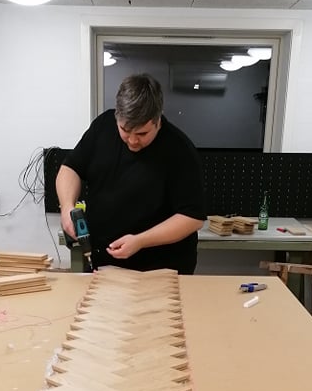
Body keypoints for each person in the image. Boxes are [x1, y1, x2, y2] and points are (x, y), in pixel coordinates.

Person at [56, 74, 206, 273]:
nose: (133, 141)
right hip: (103, 263)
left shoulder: (180, 150)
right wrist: (67, 207)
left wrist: (140, 241)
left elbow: (192, 217)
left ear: (158, 120)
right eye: (125, 130)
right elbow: (70, 168)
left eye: (142, 133)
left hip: (161, 269)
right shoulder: (103, 126)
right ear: (117, 117)